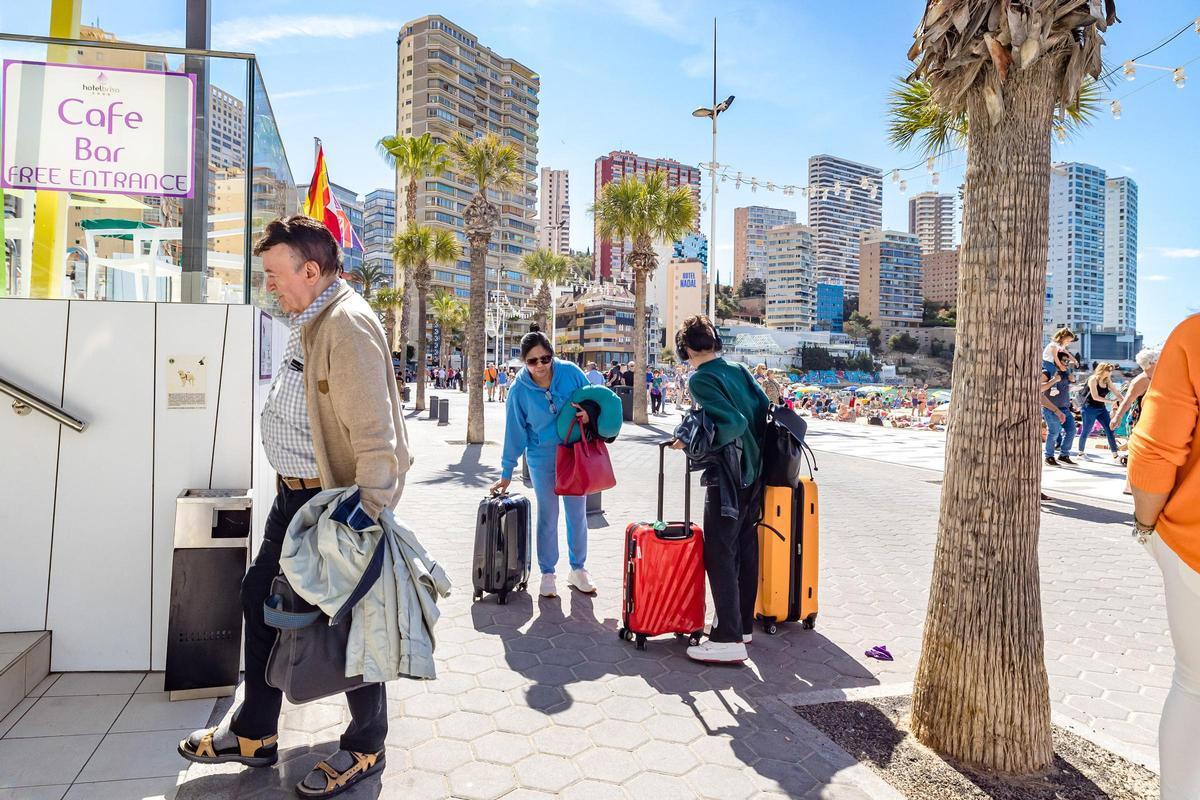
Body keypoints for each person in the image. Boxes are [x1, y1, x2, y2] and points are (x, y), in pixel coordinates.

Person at [179, 216, 409, 797]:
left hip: (334, 505)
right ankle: (256, 732)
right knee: (260, 597)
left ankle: (366, 744)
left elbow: (378, 439)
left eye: (275, 274)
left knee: (349, 617)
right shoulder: (311, 320)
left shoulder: (348, 325)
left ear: (311, 270)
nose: (269, 286)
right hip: (294, 498)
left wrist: (365, 513)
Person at [1126, 315, 1200, 800]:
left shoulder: (1194, 335)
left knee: (1195, 685)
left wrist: (1146, 526)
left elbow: (1155, 451)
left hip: (1194, 541)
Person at [671, 315, 768, 664]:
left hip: (728, 474)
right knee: (745, 546)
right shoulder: (738, 370)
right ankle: (742, 625)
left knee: (719, 552)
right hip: (755, 472)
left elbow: (733, 422)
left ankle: (727, 638)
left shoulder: (701, 379)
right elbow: (761, 409)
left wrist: (701, 443)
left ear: (686, 349)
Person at [491, 326, 595, 598]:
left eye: (545, 359)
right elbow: (514, 432)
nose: (540, 366)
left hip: (573, 453)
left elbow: (595, 400)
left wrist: (589, 414)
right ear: (524, 362)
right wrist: (506, 472)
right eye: (532, 361)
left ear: (552, 355)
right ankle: (548, 572)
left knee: (577, 513)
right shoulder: (518, 390)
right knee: (548, 514)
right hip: (541, 457)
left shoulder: (571, 372)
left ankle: (578, 569)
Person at [1077, 362, 1125, 460]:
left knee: (1110, 429)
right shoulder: (1093, 379)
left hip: (1101, 408)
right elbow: (1095, 396)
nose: (1110, 373)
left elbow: (1117, 392)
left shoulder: (1107, 380)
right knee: (1086, 431)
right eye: (1108, 370)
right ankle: (1081, 454)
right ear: (1102, 370)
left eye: (1111, 371)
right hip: (1089, 408)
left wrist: (1125, 401)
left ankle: (1115, 455)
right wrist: (1110, 401)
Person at [1114, 347, 1161, 431]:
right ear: (1151, 363)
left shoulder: (1155, 378)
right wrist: (1118, 416)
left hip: (1150, 421)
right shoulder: (1141, 380)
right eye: (1158, 360)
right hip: (1139, 423)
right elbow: (1127, 401)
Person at [1041, 359, 1076, 466]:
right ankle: (1049, 457)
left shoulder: (1066, 373)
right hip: (1051, 409)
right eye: (1064, 360)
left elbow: (1073, 380)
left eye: (1067, 361)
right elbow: (1040, 388)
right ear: (1057, 360)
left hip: (1065, 408)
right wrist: (1054, 380)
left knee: (1071, 431)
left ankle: (1064, 455)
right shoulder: (1047, 372)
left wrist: (1068, 372)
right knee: (1054, 432)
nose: (1066, 362)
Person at [1042, 327, 1079, 396]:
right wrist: (1060, 365)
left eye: (1070, 341)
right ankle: (1053, 388)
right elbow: (1055, 356)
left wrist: (1074, 360)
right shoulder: (1054, 345)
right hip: (1047, 361)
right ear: (1062, 338)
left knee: (1066, 369)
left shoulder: (1061, 346)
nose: (1068, 342)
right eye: (1067, 340)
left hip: (1053, 362)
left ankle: (1071, 384)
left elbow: (1067, 354)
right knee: (1054, 371)